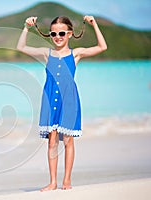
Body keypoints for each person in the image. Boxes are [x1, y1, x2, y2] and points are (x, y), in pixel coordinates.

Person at [17, 15, 107, 191]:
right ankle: (52, 182)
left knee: (68, 141)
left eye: (61, 33)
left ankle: (66, 180)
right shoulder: (46, 53)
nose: (57, 36)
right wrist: (26, 27)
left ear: (70, 34)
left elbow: (102, 47)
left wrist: (94, 24)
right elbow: (20, 47)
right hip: (50, 100)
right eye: (53, 33)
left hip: (69, 101)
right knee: (52, 142)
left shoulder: (76, 53)